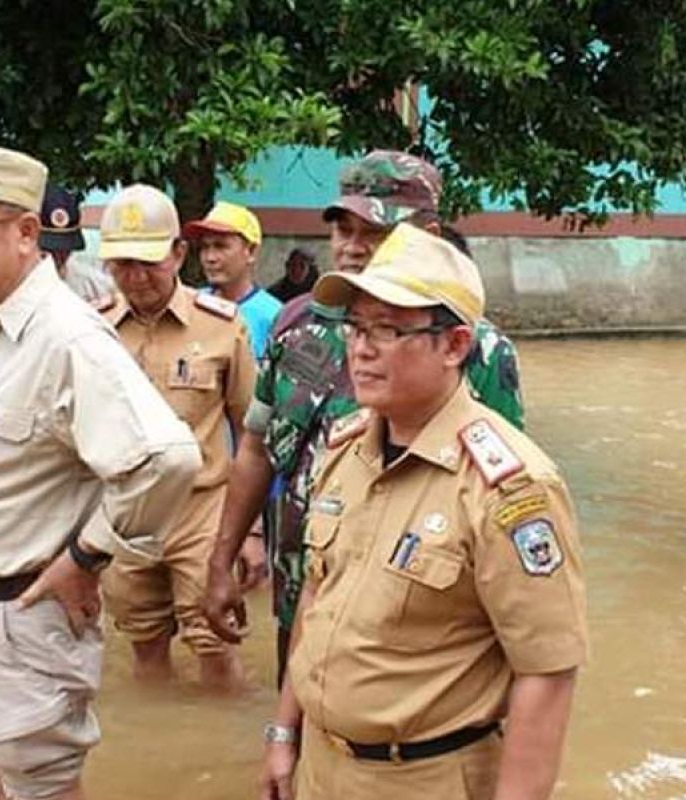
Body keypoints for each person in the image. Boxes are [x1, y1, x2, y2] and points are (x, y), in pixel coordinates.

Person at [0, 145, 200, 800]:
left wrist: (86, 557)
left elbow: (168, 460)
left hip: (17, 620)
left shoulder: (66, 337)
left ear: (27, 233)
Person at [260, 222, 586, 800]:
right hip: (320, 766)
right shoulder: (345, 448)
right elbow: (317, 597)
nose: (360, 348)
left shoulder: (509, 488)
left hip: (426, 779)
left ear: (455, 345)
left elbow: (547, 669)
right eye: (357, 327)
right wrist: (284, 731)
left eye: (388, 329)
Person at [204, 150, 526, 685]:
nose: (352, 248)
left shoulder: (475, 349)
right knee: (297, 741)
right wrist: (223, 559)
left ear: (427, 234)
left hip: (413, 617)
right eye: (342, 229)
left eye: (373, 233)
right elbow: (257, 448)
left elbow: (501, 501)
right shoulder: (296, 324)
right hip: (304, 590)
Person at [94, 184, 256, 692]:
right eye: (121, 264)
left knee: (215, 643)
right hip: (124, 514)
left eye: (149, 262)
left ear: (178, 254)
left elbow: (251, 431)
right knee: (143, 644)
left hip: (201, 512)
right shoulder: (91, 330)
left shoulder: (222, 328)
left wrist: (251, 534)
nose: (136, 278)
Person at [184, 201, 282, 359]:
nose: (210, 258)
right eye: (204, 247)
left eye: (220, 246)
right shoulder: (189, 305)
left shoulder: (275, 317)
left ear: (250, 251)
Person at [39, 183, 114, 302]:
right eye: (49, 249)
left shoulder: (95, 287)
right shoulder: (6, 287)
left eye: (65, 249)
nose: (58, 257)